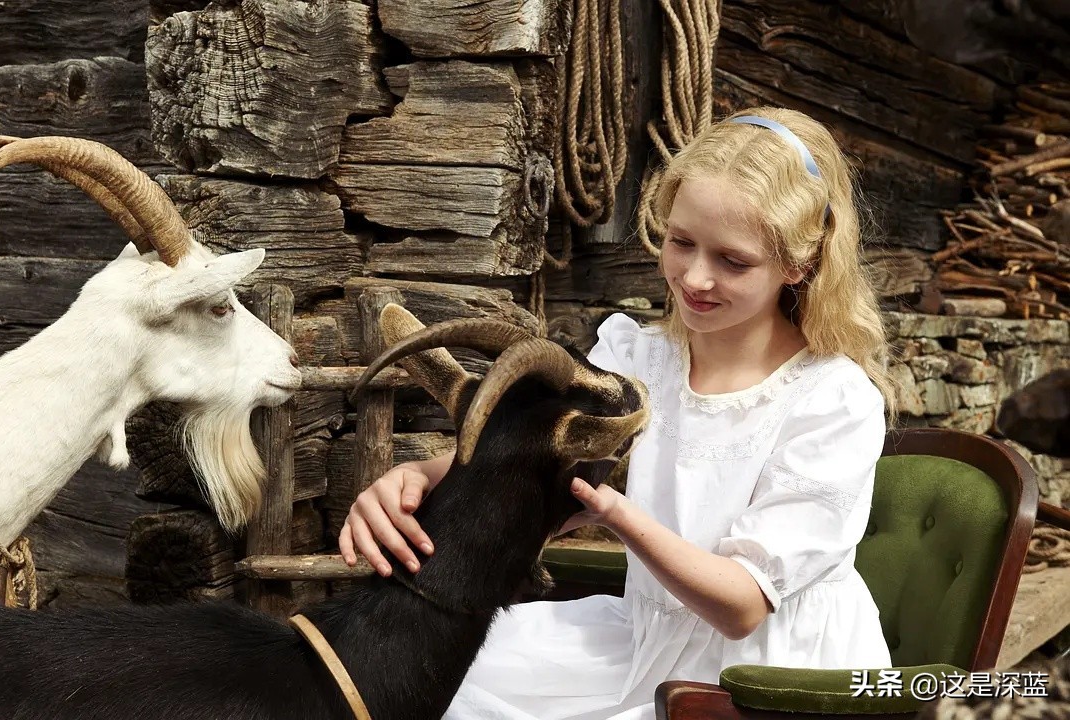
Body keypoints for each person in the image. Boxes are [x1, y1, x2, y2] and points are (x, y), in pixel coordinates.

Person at [339, 106, 898, 720]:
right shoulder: (641, 359)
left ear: (800, 263)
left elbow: (741, 606)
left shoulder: (832, 399)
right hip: (642, 639)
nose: (695, 277)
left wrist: (614, 513)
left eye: (733, 261)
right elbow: (536, 459)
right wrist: (418, 478)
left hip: (772, 674)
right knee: (446, 680)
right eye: (681, 242)